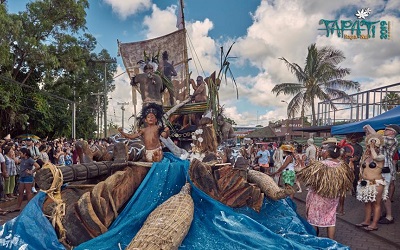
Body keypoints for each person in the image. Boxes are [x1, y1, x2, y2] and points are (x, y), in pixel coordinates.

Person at [299, 144, 352, 240]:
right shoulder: (343, 166)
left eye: (324, 150)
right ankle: (331, 241)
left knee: (314, 219)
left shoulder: (320, 165)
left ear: (327, 153)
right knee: (331, 218)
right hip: (333, 197)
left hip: (318, 196)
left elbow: (308, 178)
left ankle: (314, 240)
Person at [355, 130, 387, 231]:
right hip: (366, 183)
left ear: (378, 147)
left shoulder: (381, 157)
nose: (369, 148)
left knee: (376, 204)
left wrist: (373, 148)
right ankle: (367, 221)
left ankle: (374, 224)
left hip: (376, 183)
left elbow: (375, 157)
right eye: (368, 146)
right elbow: (362, 168)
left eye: (372, 147)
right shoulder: (367, 157)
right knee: (367, 203)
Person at [378, 124, 400, 225]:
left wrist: (368, 127)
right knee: (382, 193)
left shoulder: (392, 140)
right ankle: (383, 213)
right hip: (384, 168)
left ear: (392, 132)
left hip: (386, 169)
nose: (384, 130)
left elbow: (376, 138)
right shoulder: (388, 139)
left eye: (387, 129)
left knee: (385, 193)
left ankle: (389, 216)